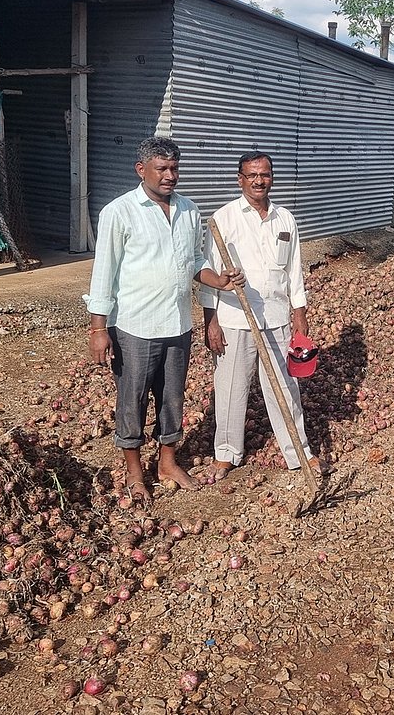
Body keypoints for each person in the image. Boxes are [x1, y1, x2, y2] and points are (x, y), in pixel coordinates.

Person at [84, 137, 239, 503]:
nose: (170, 176)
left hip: (177, 324)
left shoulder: (189, 210)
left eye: (174, 168)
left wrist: (217, 279)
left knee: (172, 399)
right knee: (132, 399)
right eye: (162, 169)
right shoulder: (119, 212)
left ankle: (167, 462)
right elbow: (103, 273)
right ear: (142, 171)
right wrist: (97, 328)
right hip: (134, 327)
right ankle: (135, 470)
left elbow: (195, 261)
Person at [198, 152, 319, 479]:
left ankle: (299, 452)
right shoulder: (222, 219)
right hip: (235, 319)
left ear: (271, 178)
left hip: (277, 318)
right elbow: (208, 272)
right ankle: (226, 452)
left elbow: (294, 272)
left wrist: (300, 314)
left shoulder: (285, 219)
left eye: (264, 174)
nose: (258, 181)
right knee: (230, 388)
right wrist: (211, 321)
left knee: (285, 387)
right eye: (251, 175)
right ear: (240, 179)